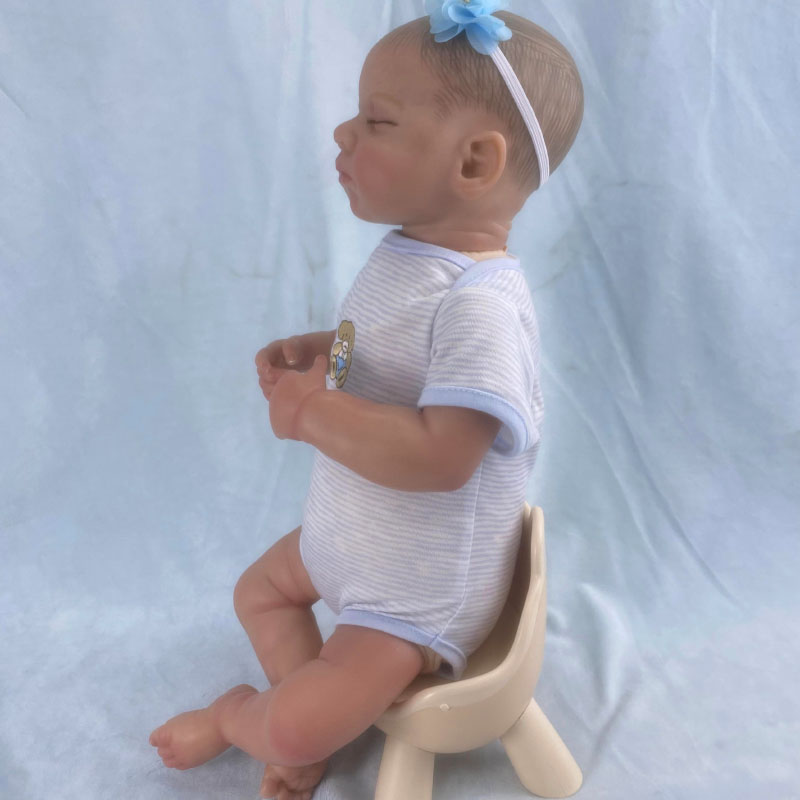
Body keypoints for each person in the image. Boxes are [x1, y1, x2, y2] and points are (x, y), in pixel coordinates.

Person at [149, 3, 583, 798]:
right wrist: (327, 352)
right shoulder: (410, 255)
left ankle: (247, 718)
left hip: (410, 592)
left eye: (377, 121)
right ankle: (311, 718)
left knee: (292, 721)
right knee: (260, 593)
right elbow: (390, 352)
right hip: (351, 536)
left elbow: (441, 456)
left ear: (475, 163)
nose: (344, 133)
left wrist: (312, 412)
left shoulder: (481, 305)